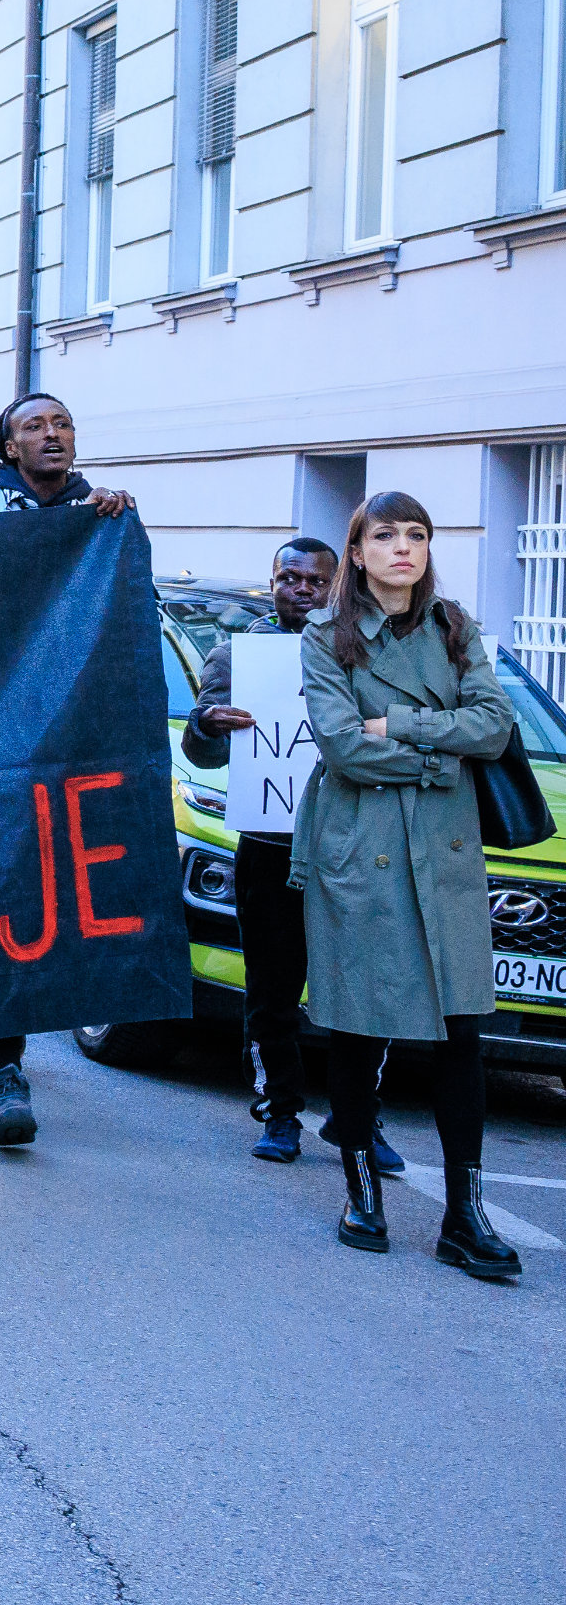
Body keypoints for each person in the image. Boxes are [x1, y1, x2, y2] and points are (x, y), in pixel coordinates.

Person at [296, 495, 522, 1278]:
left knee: (464, 1036)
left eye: (416, 534)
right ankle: (361, 1188)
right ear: (356, 553)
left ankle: (465, 1212)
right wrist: (438, 756)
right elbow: (342, 749)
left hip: (447, 853)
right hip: (364, 849)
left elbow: (494, 726)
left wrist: (401, 727)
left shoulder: (456, 629)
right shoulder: (327, 635)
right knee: (360, 1023)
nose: (403, 547)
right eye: (384, 535)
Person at [0, 393, 138, 1144]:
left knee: (46, 894)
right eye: (34, 426)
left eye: (62, 424)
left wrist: (111, 529)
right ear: (9, 447)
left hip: (72, 740)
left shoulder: (104, 514)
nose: (51, 434)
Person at [184, 540, 382, 1168]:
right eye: (288, 578)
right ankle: (280, 1111)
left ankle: (359, 1118)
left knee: (364, 988)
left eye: (314, 580)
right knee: (272, 987)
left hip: (352, 849)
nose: (301, 589)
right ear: (272, 584)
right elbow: (202, 750)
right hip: (270, 846)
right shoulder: (239, 655)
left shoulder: (367, 653)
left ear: (337, 584)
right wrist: (209, 725)